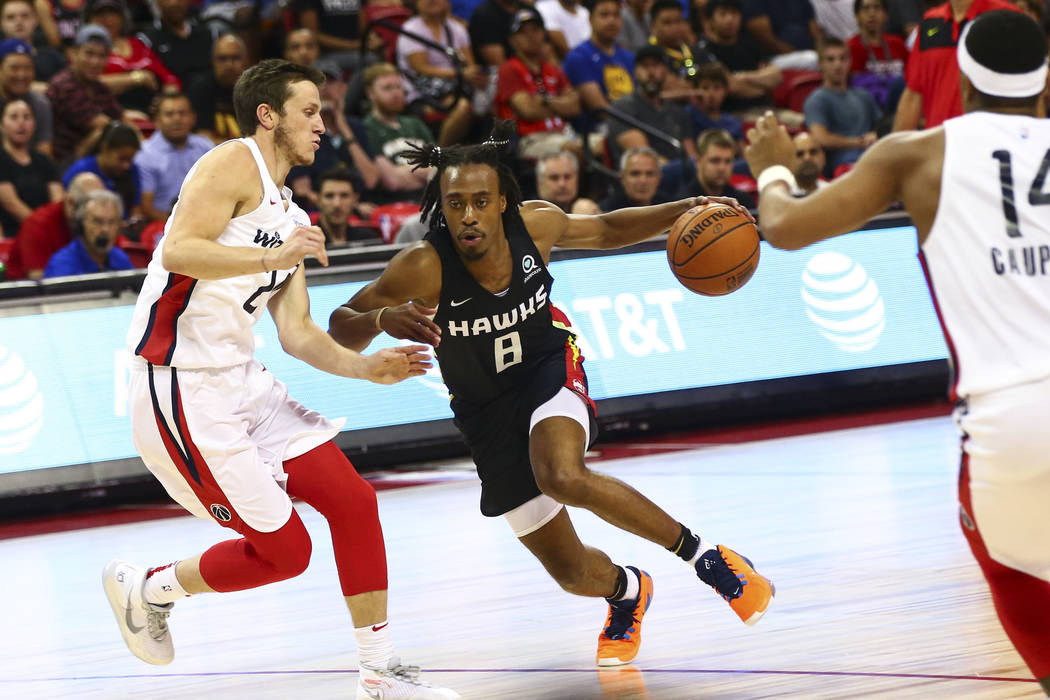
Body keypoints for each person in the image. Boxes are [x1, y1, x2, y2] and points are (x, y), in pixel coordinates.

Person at [328, 120, 775, 670]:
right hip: (483, 411)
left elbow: (608, 229)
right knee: (570, 574)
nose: (468, 214)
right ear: (439, 205)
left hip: (548, 366)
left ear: (501, 203)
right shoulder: (421, 266)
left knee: (561, 473)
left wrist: (688, 208)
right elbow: (340, 323)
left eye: (480, 201)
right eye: (455, 202)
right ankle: (628, 593)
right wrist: (380, 317)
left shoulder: (535, 225)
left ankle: (711, 559)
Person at [105, 58, 459, 700]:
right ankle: (151, 587)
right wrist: (276, 254)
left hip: (243, 381)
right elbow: (180, 248)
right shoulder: (231, 161)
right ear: (269, 115)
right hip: (179, 387)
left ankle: (380, 673)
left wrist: (364, 369)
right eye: (311, 111)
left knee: (355, 502)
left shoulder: (292, 213)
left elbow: (296, 334)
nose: (323, 125)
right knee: (288, 553)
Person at [744, 11, 1050, 693]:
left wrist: (770, 171)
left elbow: (787, 228)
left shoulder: (916, 154)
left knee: (1021, 584)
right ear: (1044, 82)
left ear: (961, 81)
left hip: (1009, 420)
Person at [892, 0, 1020, 131]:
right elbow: (913, 93)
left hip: (989, 141)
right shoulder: (930, 24)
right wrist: (895, 148)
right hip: (939, 144)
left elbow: (1027, 87)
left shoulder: (1007, 18)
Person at [496, 8, 582, 159]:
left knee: (604, 143)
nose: (531, 36)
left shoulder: (552, 69)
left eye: (536, 30)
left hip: (564, 133)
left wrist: (545, 101)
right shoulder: (509, 69)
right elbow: (528, 110)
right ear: (512, 40)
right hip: (530, 140)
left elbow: (575, 106)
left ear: (544, 33)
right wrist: (561, 105)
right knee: (572, 150)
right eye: (523, 32)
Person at [46, 23, 125, 167]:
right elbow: (103, 124)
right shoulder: (63, 85)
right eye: (89, 53)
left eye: (102, 56)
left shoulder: (98, 87)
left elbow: (122, 119)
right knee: (104, 134)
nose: (95, 62)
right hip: (64, 163)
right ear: (74, 54)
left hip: (94, 162)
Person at [802, 37, 881, 175]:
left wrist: (876, 135)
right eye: (831, 59)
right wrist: (859, 142)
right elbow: (821, 138)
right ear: (821, 64)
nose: (837, 65)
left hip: (872, 153)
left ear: (850, 62)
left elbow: (881, 126)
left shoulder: (863, 95)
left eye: (842, 58)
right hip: (841, 162)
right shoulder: (816, 100)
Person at [87, 0, 181, 114]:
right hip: (113, 111)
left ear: (122, 18)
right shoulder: (88, 51)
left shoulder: (139, 45)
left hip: (152, 112)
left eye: (113, 14)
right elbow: (87, 84)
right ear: (90, 20)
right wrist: (135, 78)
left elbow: (169, 79)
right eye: (101, 14)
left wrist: (165, 99)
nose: (108, 19)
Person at [607, 45, 695, 165]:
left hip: (681, 174)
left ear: (666, 71)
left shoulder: (677, 110)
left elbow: (691, 155)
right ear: (635, 72)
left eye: (656, 65)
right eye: (644, 66)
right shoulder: (623, 107)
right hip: (644, 176)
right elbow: (644, 158)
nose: (651, 72)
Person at [5, 171, 102, 279]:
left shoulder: (103, 223)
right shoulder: (38, 225)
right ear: (70, 202)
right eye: (89, 210)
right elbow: (39, 280)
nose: (98, 215)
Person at [133, 92, 214, 221]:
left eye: (182, 113)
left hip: (207, 217)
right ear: (157, 121)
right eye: (169, 114)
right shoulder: (145, 155)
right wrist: (179, 224)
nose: (177, 119)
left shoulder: (206, 147)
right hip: (162, 224)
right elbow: (146, 207)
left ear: (193, 118)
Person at [562, 0, 635, 132]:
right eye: (604, 15)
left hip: (634, 121)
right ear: (590, 19)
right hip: (598, 128)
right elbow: (601, 110)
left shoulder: (628, 56)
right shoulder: (579, 57)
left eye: (616, 15)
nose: (611, 20)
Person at [0, 97, 62, 238]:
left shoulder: (43, 160)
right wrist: (41, 227)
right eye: (14, 117)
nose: (21, 123)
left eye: (27, 117)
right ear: (2, 125)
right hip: (12, 233)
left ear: (34, 124)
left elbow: (57, 198)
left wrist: (52, 225)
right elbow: (11, 204)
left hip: (47, 230)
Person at [62, 121, 142, 220]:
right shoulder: (81, 170)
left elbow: (136, 208)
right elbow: (66, 208)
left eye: (130, 160)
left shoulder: (132, 170)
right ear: (105, 148)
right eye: (122, 158)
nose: (126, 165)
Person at [42, 188, 132, 275]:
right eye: (97, 221)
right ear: (81, 224)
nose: (106, 229)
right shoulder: (61, 265)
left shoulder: (121, 259)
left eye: (112, 222)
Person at [136, 0, 214, 90]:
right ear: (157, 2)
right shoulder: (146, 40)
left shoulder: (208, 34)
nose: (174, 3)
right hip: (170, 99)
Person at [187, 33, 249, 144]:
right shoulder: (200, 89)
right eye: (222, 59)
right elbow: (203, 139)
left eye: (235, 58)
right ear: (213, 62)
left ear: (246, 60)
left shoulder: (257, 89)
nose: (229, 65)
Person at [0, 37, 55, 157]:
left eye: (27, 68)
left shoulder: (40, 104)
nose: (21, 75)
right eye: (14, 68)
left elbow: (44, 152)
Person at [677, 128, 755, 206]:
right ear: (698, 161)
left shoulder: (744, 201)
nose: (722, 168)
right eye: (714, 160)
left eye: (728, 161)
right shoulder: (682, 204)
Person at [311, 166, 382, 247]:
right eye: (329, 196)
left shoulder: (368, 239)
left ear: (355, 200)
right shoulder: (304, 242)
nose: (337, 204)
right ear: (318, 200)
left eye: (344, 196)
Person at [0, 0, 66, 83]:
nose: (19, 21)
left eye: (25, 16)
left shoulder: (53, 57)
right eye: (10, 17)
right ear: (1, 23)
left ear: (35, 19)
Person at [598, 145, 665, 210]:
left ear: (659, 178)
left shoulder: (671, 209)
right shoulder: (606, 211)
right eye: (635, 174)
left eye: (650, 174)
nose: (643, 181)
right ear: (622, 178)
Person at [534, 150, 600, 214]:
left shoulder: (589, 208)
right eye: (554, 178)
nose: (562, 184)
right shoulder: (527, 216)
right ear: (540, 182)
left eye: (567, 177)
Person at [790, 130, 827, 195]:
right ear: (789, 160)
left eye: (813, 152)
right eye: (799, 154)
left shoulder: (832, 193)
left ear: (823, 157)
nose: (807, 158)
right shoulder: (780, 195)